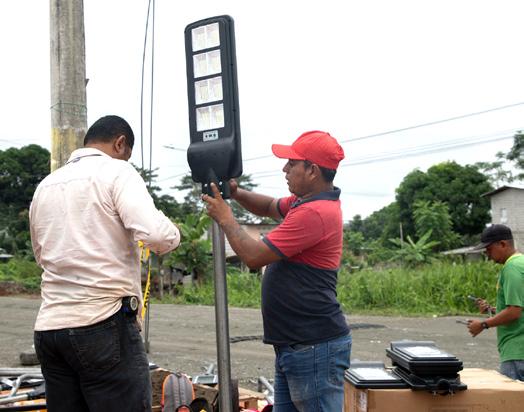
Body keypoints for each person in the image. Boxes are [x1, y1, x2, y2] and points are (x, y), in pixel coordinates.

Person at [29, 115, 181, 411]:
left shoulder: (45, 186)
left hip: (49, 329)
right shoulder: (117, 171)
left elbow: (41, 255)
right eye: (127, 154)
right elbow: (156, 235)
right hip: (102, 323)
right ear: (120, 143)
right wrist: (174, 234)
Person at [203, 130, 351, 412]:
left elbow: (253, 257)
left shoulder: (315, 212)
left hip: (312, 347)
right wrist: (236, 193)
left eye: (292, 163)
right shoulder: (305, 202)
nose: (285, 169)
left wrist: (226, 218)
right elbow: (270, 206)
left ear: (312, 171)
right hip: (296, 346)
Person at [467, 224, 524, 381]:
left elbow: (514, 311)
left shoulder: (512, 267)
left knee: (512, 397)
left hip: (517, 352)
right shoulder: (521, 263)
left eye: (489, 249)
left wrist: (483, 324)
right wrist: (493, 309)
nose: (487, 255)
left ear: (503, 244)